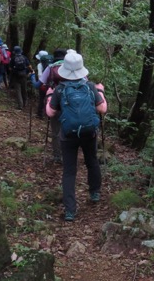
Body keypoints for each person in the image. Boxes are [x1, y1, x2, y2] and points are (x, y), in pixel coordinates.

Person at [45, 51, 107, 222]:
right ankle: (94, 193)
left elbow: (50, 112)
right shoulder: (90, 86)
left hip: (68, 135)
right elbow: (102, 109)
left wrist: (49, 96)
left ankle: (70, 211)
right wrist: (101, 92)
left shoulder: (60, 89)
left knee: (69, 171)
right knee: (92, 161)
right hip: (89, 133)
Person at [39, 49, 67, 163]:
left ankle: (57, 156)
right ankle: (68, 155)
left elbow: (41, 83)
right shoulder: (71, 68)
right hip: (70, 103)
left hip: (54, 101)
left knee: (55, 130)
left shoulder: (50, 67)